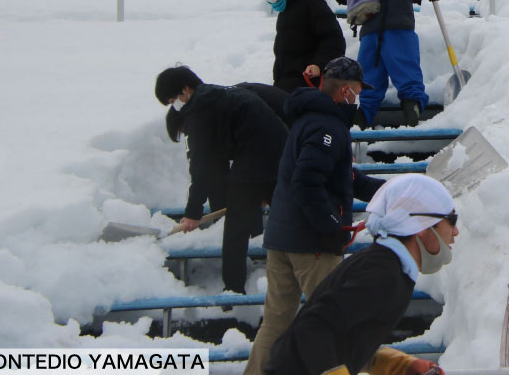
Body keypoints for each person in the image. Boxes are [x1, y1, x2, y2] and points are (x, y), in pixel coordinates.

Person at [244, 57, 386, 375]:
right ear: (347, 91)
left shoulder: (311, 120)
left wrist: (397, 189)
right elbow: (307, 181)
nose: (359, 98)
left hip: (283, 238)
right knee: (342, 320)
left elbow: (346, 178)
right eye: (359, 91)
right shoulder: (327, 126)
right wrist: (331, 226)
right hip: (311, 244)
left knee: (276, 324)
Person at [264, 173, 459, 375]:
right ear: (421, 224)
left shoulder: (389, 266)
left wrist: (394, 364)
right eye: (451, 219)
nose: (456, 231)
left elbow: (344, 336)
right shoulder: (384, 273)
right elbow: (312, 327)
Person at [155, 66, 288, 294]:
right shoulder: (217, 96)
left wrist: (192, 213)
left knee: (236, 226)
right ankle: (286, 266)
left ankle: (233, 291)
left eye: (171, 100)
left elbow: (201, 166)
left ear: (185, 91)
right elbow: (213, 165)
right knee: (278, 213)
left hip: (260, 153)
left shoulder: (199, 111)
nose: (174, 106)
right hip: (279, 148)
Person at [358, 0, 435, 128]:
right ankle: (413, 119)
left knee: (370, 84)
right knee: (407, 76)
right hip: (396, 25)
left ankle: (360, 124)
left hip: (370, 29)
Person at [249, 0, 346, 92]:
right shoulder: (285, 9)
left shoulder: (313, 4)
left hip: (307, 84)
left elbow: (335, 40)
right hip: (285, 83)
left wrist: (318, 65)